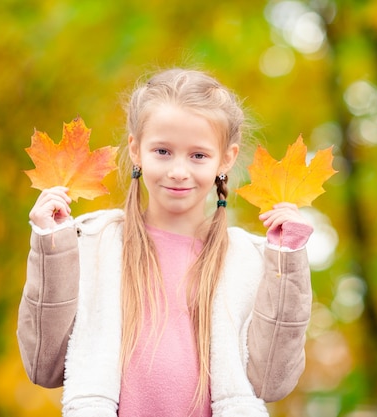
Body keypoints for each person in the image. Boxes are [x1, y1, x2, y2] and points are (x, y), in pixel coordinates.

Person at [17, 68, 314, 417]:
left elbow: (270, 383)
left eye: (198, 155)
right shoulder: (93, 245)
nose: (178, 170)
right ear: (135, 150)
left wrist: (288, 262)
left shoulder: (247, 261)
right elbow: (44, 367)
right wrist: (51, 247)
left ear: (227, 159)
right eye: (162, 151)